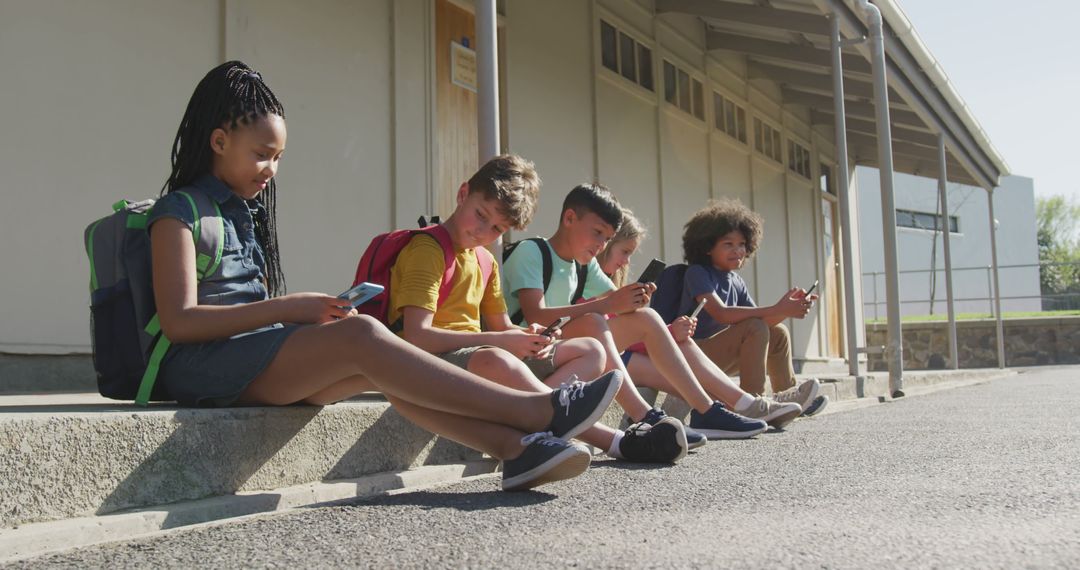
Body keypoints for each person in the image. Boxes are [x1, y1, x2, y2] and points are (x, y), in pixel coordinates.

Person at [146, 61, 623, 492]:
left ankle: (517, 451)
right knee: (365, 334)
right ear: (219, 141)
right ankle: (540, 412)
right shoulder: (178, 212)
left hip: (248, 354)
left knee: (385, 367)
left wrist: (305, 318)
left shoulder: (240, 213)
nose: (271, 169)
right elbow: (180, 323)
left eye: (278, 158)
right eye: (261, 154)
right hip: (201, 367)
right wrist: (292, 307)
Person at [389, 155, 686, 464]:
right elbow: (417, 336)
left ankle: (534, 423)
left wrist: (528, 336)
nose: (483, 232)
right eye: (480, 214)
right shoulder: (428, 249)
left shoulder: (485, 260)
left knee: (590, 350)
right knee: (497, 358)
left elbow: (501, 326)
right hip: (430, 363)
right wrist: (504, 341)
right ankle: (616, 442)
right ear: (462, 194)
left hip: (478, 357)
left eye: (497, 228)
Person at [502, 184, 802, 439]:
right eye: (596, 233)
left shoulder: (586, 265)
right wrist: (611, 304)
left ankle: (708, 410)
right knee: (595, 319)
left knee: (646, 317)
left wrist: (635, 300)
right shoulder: (533, 251)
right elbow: (537, 314)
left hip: (566, 347)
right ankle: (647, 415)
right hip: (527, 349)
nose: (600, 244)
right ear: (569, 218)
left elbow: (615, 302)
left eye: (607, 239)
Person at [678, 198, 828, 416]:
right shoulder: (698, 273)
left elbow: (762, 324)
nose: (737, 251)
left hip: (722, 354)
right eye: (728, 244)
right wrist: (777, 308)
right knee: (755, 327)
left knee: (778, 333)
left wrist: (786, 310)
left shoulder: (736, 281)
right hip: (696, 353)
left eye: (742, 245)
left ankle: (787, 396)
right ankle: (751, 403)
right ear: (707, 247)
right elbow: (721, 313)